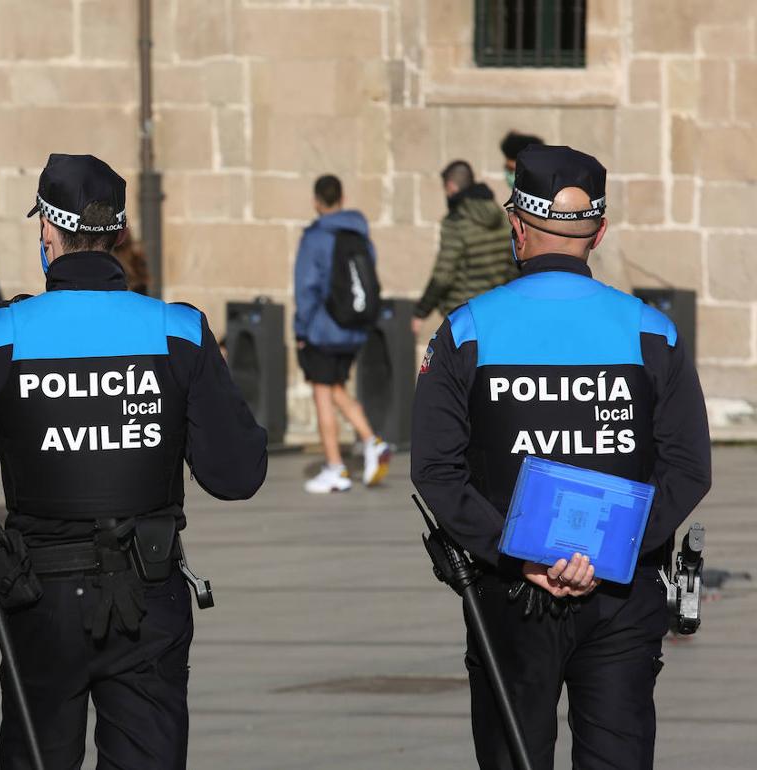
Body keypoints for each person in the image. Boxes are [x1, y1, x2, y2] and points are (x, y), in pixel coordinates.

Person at [0, 153, 268, 769]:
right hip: (149, 591)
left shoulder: (0, 332)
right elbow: (237, 474)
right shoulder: (178, 331)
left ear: (47, 232)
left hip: (39, 598)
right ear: (120, 235)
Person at [410, 145, 712, 769]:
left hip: (509, 592)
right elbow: (688, 468)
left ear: (517, 228)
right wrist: (605, 555)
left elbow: (436, 469)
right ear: (599, 232)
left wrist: (519, 553)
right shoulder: (651, 332)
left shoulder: (467, 330)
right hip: (621, 595)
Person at [293, 174, 391, 493]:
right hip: (353, 328)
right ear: (342, 198)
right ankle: (371, 441)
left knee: (322, 393)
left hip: (323, 329)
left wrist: (301, 329)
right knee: (336, 387)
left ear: (316, 201)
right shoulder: (360, 234)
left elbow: (306, 287)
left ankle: (336, 467)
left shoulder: (316, 237)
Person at [411, 160, 518, 335]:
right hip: (499, 312)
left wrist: (421, 312)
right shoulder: (499, 214)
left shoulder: (456, 222)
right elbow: (514, 262)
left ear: (451, 187)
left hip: (466, 315)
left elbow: (443, 275)